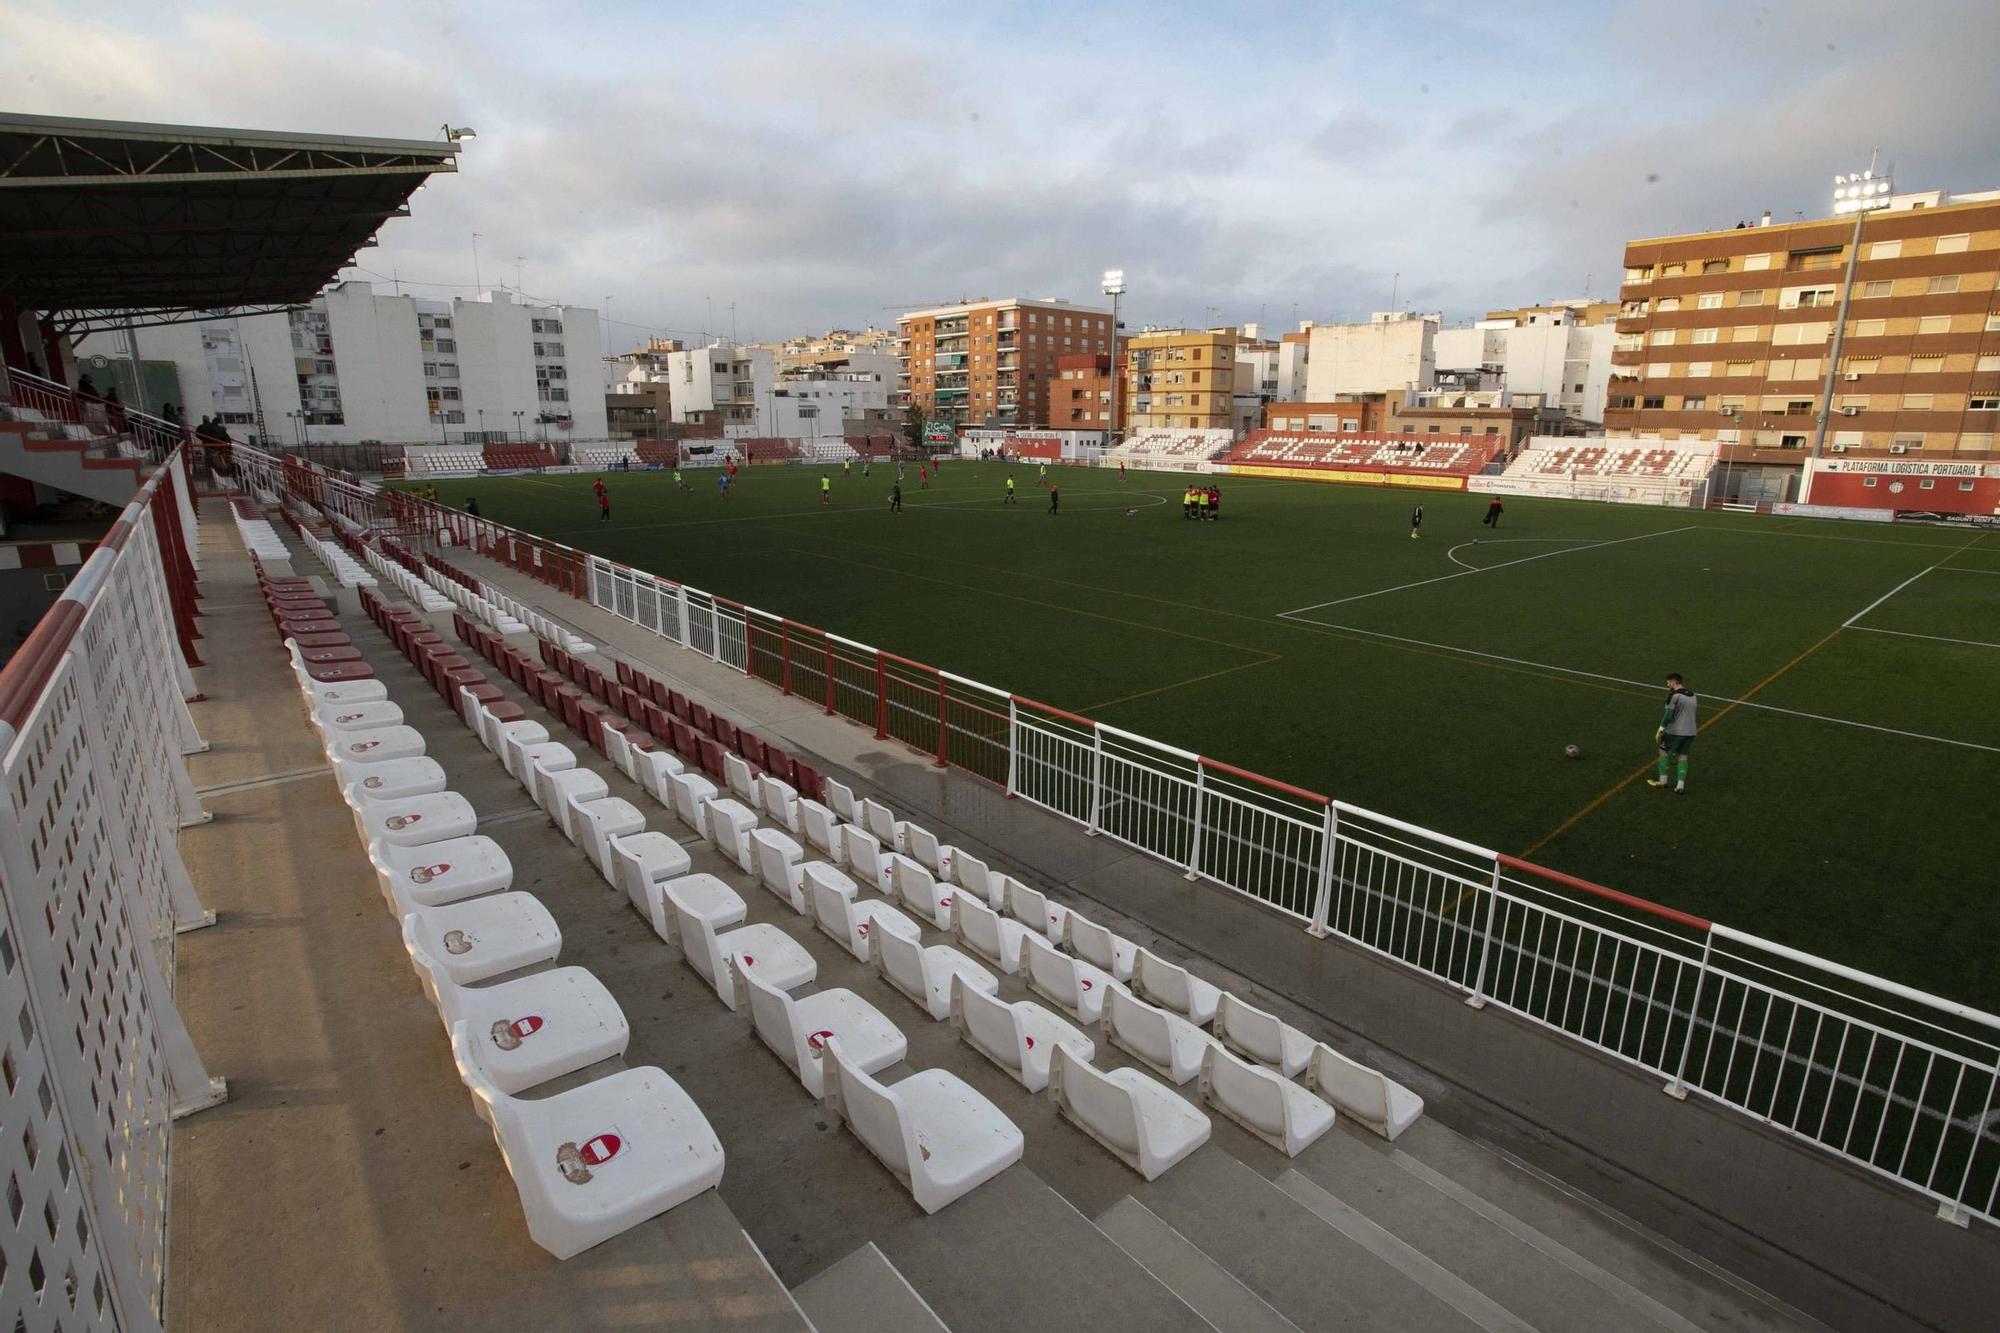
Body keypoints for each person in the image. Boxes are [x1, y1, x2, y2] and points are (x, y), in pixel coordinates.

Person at [1648, 673, 1697, 793]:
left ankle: (1663, 781)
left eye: (1668, 682)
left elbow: (1668, 715)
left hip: (1675, 731)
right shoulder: (1693, 695)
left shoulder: (1674, 696)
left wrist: (1661, 729)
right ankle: (1680, 786)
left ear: (1674, 682)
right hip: (1691, 731)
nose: (1667, 685)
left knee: (1663, 750)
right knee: (1683, 756)